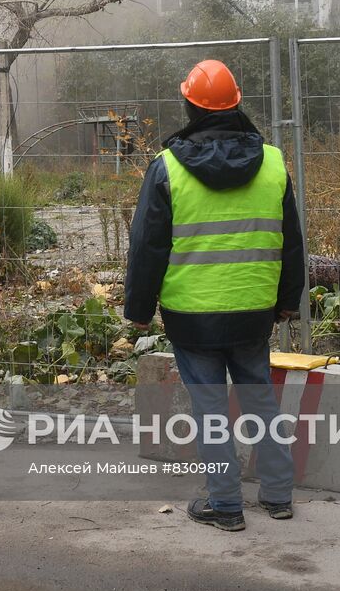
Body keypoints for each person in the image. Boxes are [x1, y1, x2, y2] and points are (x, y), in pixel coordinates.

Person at [123, 60, 305, 532]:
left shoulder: (166, 169)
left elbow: (147, 246)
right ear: (237, 102)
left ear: (189, 105)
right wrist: (288, 301)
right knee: (260, 397)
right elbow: (291, 239)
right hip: (253, 311)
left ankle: (225, 505)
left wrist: (139, 311)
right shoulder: (272, 162)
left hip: (192, 316)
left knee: (209, 407)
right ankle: (278, 496)